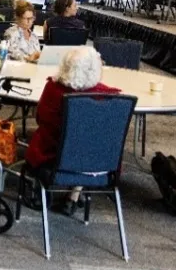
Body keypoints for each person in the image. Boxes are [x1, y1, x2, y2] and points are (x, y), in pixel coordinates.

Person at [25, 47, 121, 215]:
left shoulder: (53, 89)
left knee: (55, 141)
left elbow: (41, 119)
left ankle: (42, 192)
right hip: (99, 165)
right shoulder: (108, 96)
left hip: (55, 161)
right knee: (87, 144)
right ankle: (73, 197)